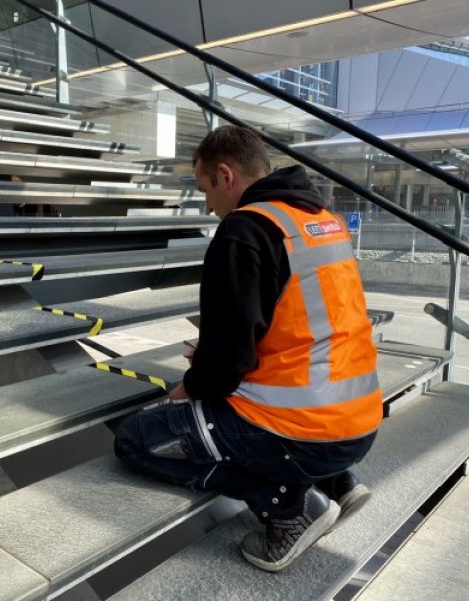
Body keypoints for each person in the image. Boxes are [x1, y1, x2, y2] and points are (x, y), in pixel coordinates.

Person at [114, 125, 382, 572]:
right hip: (357, 421)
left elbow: (227, 363)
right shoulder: (318, 220)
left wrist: (193, 384)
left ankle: (286, 507)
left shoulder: (245, 230)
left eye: (205, 190)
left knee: (135, 438)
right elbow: (304, 324)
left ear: (225, 175)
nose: (208, 205)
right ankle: (337, 484)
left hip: (302, 432)